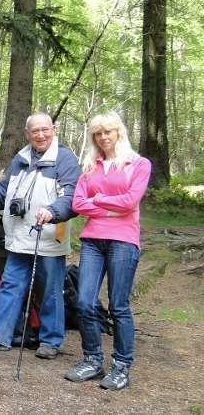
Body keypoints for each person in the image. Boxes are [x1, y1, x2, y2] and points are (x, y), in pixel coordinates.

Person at [0, 113, 80, 359]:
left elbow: (72, 198)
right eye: (35, 131)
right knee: (10, 286)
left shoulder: (65, 158)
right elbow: (5, 192)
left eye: (45, 130)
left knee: (50, 290)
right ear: (27, 133)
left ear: (53, 129)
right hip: (19, 237)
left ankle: (51, 341)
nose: (40, 135)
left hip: (49, 237)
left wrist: (53, 211)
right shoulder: (20, 158)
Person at [65, 113, 151, 390]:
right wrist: (109, 208)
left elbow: (130, 202)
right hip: (93, 240)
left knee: (118, 305)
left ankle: (121, 365)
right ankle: (92, 359)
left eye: (107, 132)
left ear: (119, 133)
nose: (102, 138)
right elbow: (78, 204)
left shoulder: (138, 164)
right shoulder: (90, 166)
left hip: (124, 241)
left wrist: (98, 199)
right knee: (84, 302)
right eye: (97, 134)